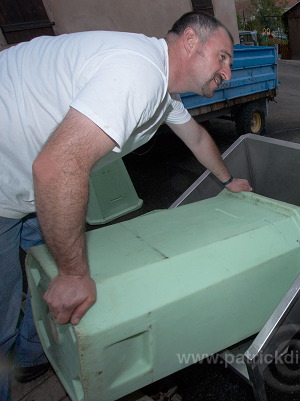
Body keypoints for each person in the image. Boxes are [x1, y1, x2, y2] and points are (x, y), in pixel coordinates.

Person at [0, 11, 252, 399]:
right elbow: (57, 167)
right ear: (189, 41)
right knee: (23, 299)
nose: (228, 73)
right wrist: (72, 274)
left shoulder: (161, 87)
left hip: (34, 187)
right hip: (11, 178)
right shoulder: (138, 73)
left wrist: (228, 180)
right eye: (223, 57)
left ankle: (34, 357)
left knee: (48, 270)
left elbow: (198, 139)